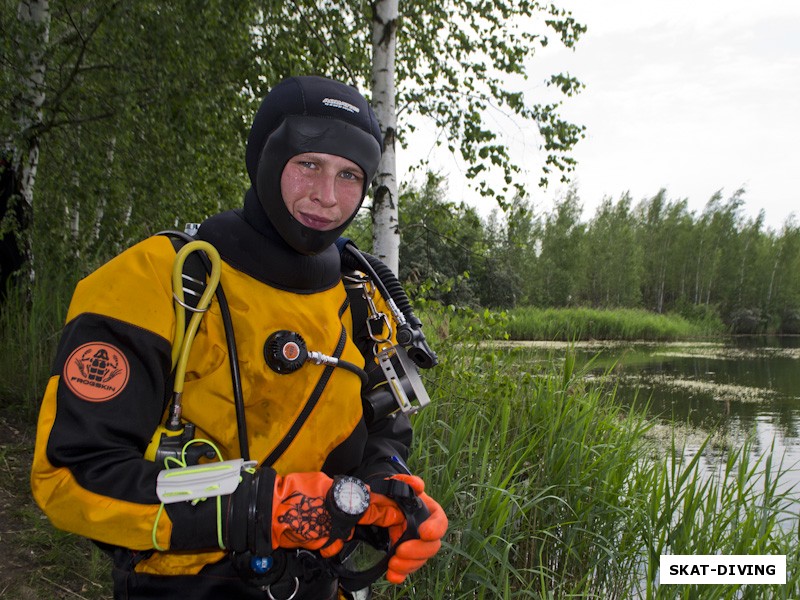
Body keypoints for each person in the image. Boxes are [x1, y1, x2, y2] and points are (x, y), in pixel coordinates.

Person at [30, 75, 447, 600]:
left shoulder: (363, 301)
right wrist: (259, 510)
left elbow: (386, 427)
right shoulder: (158, 282)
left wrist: (388, 494)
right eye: (308, 165)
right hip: (181, 586)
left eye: (349, 176)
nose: (326, 197)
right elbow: (73, 475)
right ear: (266, 160)